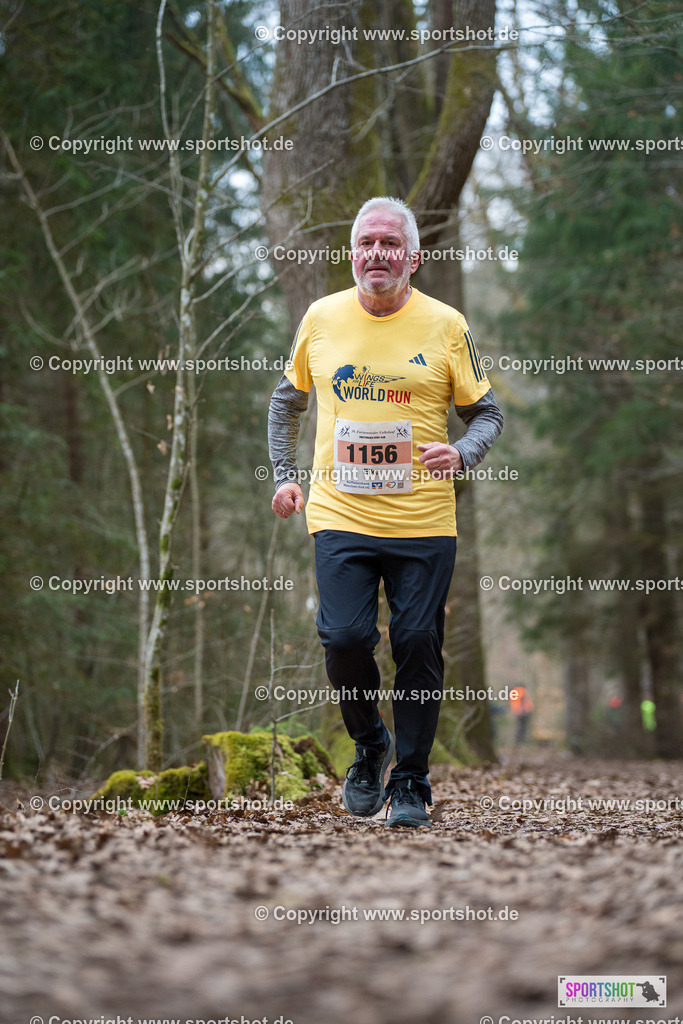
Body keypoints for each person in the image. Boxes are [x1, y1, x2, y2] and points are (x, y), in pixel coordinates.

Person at [268, 196, 503, 827]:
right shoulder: (321, 319)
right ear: (352, 256)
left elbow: (489, 414)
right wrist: (285, 478)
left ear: (413, 258)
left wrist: (461, 453)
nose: (377, 253)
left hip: (424, 522)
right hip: (340, 513)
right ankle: (370, 747)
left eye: (389, 244)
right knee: (344, 637)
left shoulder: (447, 325)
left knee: (418, 643)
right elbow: (284, 404)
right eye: (366, 243)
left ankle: (412, 779)